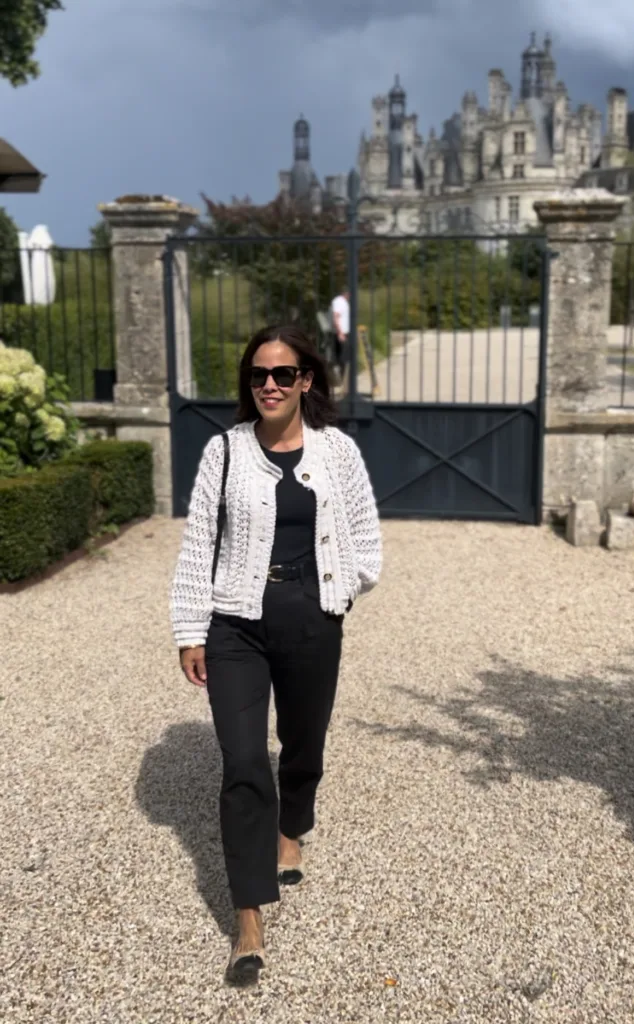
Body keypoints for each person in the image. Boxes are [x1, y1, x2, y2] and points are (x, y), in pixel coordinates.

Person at [170, 324, 382, 987]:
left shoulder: (337, 452)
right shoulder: (224, 451)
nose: (269, 385)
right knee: (240, 763)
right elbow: (199, 539)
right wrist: (189, 626)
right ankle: (248, 920)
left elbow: (365, 534)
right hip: (235, 622)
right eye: (258, 375)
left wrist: (344, 591)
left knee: (303, 744)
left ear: (306, 381)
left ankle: (294, 825)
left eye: (282, 375)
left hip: (313, 619)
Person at [330, 288, 350, 381]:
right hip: (340, 333)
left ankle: (342, 378)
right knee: (341, 357)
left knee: (343, 357)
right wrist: (340, 333)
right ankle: (339, 379)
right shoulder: (339, 301)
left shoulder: (343, 301)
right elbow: (336, 317)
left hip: (343, 333)